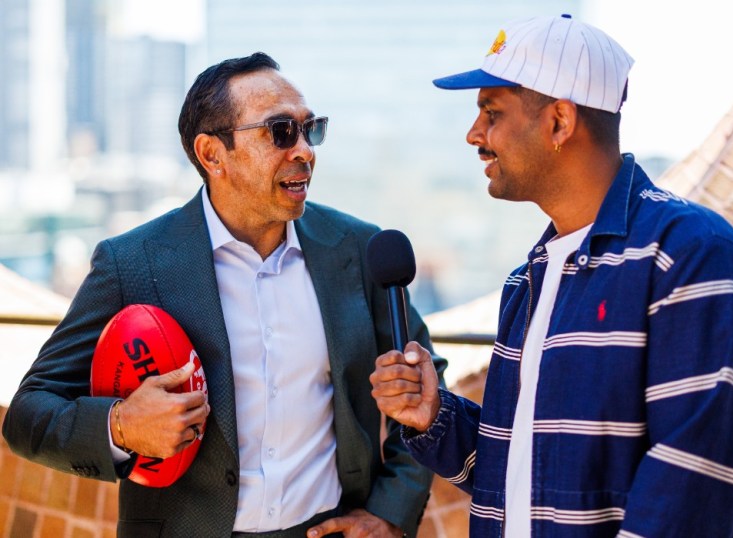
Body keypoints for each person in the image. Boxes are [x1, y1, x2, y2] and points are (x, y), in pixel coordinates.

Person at [370, 14, 733, 537]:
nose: (475, 134)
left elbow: (691, 482)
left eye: (491, 112)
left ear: (560, 122)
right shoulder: (530, 279)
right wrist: (435, 416)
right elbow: (524, 475)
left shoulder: (691, 255)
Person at [3, 52, 445, 538]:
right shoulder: (134, 263)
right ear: (213, 155)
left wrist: (390, 512)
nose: (305, 150)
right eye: (280, 131)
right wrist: (122, 427)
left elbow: (425, 379)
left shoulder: (357, 249)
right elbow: (29, 413)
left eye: (309, 129)